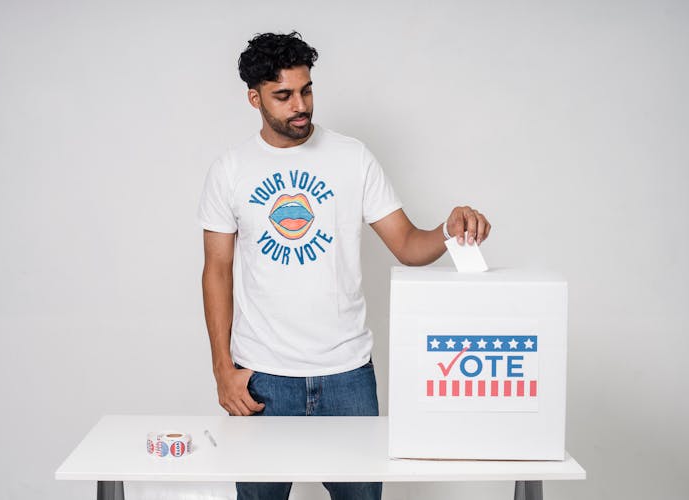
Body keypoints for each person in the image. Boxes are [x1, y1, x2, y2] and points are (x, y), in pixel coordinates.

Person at [197, 31, 491, 500]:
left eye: (307, 89)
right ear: (254, 98)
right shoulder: (230, 170)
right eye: (284, 95)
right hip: (262, 377)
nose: (301, 105)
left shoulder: (352, 157)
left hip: (348, 376)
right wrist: (221, 370)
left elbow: (409, 245)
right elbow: (217, 271)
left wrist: (449, 229)